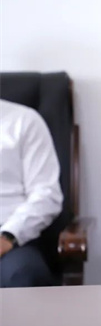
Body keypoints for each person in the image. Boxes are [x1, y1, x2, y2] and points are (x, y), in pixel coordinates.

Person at [0, 99, 63, 287]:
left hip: (12, 237)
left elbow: (46, 194)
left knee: (24, 275)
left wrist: (7, 236)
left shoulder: (24, 120)